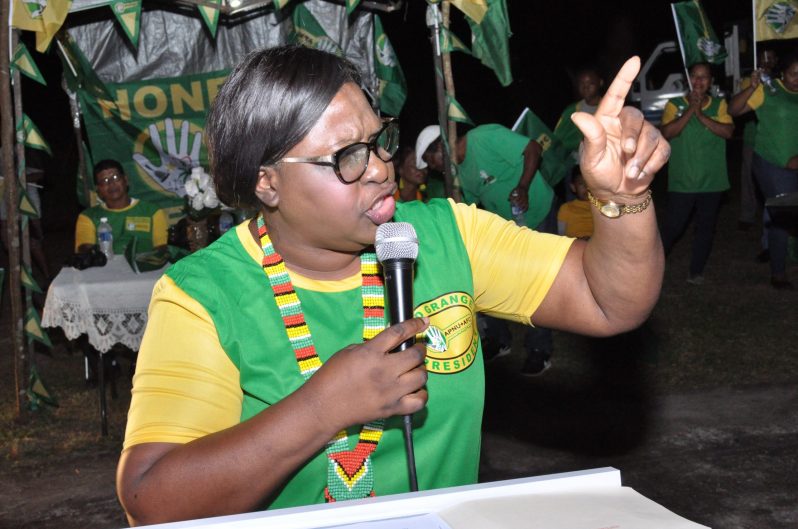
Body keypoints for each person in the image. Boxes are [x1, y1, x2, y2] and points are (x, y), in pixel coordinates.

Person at [116, 45, 668, 525]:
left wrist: (623, 201)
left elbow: (607, 301)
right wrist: (322, 408)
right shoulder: (202, 295)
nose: (381, 167)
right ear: (268, 182)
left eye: (379, 142)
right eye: (347, 157)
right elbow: (153, 501)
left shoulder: (447, 234)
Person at [415, 122, 557, 375]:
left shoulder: (482, 137)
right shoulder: (460, 173)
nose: (434, 168)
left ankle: (539, 350)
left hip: (539, 212)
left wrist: (523, 186)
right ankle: (500, 340)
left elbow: (533, 148)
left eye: (432, 160)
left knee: (542, 284)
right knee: (495, 282)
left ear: (442, 144)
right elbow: (470, 205)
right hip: (512, 230)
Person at [727, 52, 798, 289]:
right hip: (770, 164)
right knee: (783, 211)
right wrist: (752, 86)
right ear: (782, 72)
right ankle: (778, 273)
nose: (797, 78)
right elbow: (733, 110)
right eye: (792, 73)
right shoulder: (770, 90)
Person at [659, 62, 734, 285]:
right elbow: (667, 132)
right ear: (688, 79)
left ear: (711, 81)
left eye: (704, 77)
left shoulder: (720, 105)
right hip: (683, 181)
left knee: (706, 228)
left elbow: (728, 131)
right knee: (673, 227)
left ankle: (696, 271)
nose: (699, 81)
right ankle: (651, 269)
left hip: (712, 181)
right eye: (695, 76)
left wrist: (700, 114)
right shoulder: (674, 104)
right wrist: (691, 109)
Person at [74, 159, 168, 255]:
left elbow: (162, 250)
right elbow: (85, 251)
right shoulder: (88, 217)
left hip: (145, 268)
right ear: (98, 189)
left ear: (125, 180)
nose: (111, 184)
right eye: (104, 181)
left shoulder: (153, 212)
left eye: (115, 177)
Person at [730, 49, 778, 233]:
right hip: (753, 138)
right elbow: (737, 107)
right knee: (749, 179)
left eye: (771, 57)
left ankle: (774, 221)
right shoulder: (749, 80)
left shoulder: (782, 81)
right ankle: (747, 215)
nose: (767, 60)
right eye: (764, 57)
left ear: (776, 60)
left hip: (775, 141)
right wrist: (754, 83)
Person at [557, 167, 593, 239]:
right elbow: (561, 234)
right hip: (574, 244)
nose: (586, 187)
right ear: (573, 187)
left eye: (589, 183)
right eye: (581, 184)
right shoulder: (566, 208)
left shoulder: (601, 207)